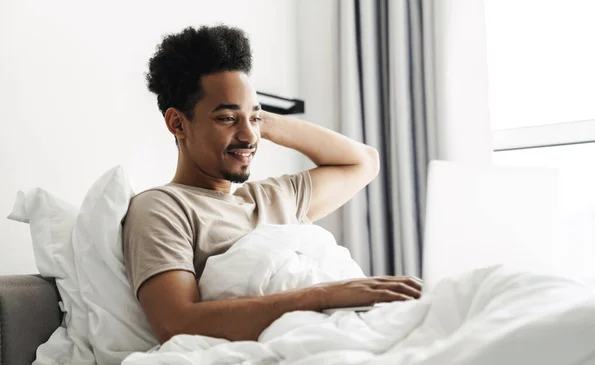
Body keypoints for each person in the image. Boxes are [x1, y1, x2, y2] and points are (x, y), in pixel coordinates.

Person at [122, 25, 422, 344]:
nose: (250, 136)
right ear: (177, 123)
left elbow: (364, 162)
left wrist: (259, 121)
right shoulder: (162, 208)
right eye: (226, 118)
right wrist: (324, 296)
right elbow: (176, 323)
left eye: (255, 118)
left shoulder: (275, 197)